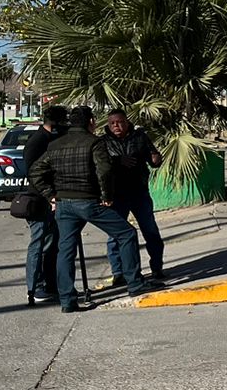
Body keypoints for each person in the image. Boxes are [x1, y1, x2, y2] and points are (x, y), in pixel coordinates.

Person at [28, 106, 146, 311]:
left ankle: (67, 300)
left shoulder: (55, 145)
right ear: (91, 121)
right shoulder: (94, 142)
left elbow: (35, 170)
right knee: (126, 234)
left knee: (65, 249)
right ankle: (135, 284)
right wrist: (107, 196)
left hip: (64, 204)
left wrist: (50, 195)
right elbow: (104, 170)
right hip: (88, 201)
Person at [103, 109, 165, 285]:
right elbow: (100, 164)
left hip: (139, 192)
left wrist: (156, 158)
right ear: (108, 125)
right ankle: (118, 272)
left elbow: (153, 158)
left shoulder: (140, 137)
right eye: (113, 123)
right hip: (117, 194)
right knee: (115, 235)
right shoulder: (103, 142)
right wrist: (118, 161)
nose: (117, 126)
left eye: (120, 122)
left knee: (150, 231)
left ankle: (157, 267)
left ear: (127, 122)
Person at [22, 105, 68, 304]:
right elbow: (33, 174)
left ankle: (51, 285)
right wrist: (49, 196)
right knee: (39, 244)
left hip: (52, 200)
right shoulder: (38, 141)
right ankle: (35, 288)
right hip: (40, 201)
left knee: (52, 245)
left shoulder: (52, 139)